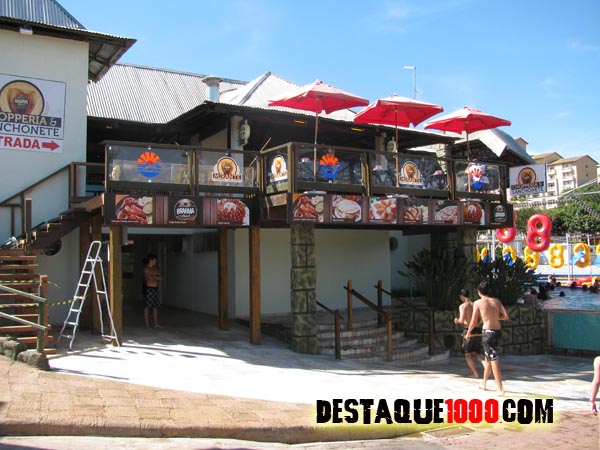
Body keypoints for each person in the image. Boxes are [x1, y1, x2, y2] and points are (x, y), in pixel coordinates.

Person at [466, 281, 510, 395]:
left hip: (488, 332)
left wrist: (468, 332)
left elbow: (473, 321)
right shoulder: (496, 301)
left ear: (479, 292)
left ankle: (500, 388)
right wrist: (495, 317)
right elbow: (506, 316)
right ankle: (484, 383)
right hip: (497, 331)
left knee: (493, 359)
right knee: (488, 359)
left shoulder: (478, 303)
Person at [454, 288, 484, 378]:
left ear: (461, 296)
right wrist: (477, 324)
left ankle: (475, 374)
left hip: (469, 331)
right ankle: (486, 364)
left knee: (467, 354)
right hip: (478, 330)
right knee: (476, 352)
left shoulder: (463, 306)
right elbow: (482, 318)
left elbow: (461, 320)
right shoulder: (475, 304)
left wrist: (456, 320)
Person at [143, 253, 163, 329]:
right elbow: (149, 279)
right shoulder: (146, 268)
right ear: (151, 260)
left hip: (155, 288)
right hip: (149, 288)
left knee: (155, 306)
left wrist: (153, 276)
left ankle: (156, 323)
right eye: (155, 260)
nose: (155, 261)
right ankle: (147, 324)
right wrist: (155, 276)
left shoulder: (155, 268)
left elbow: (160, 277)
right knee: (147, 306)